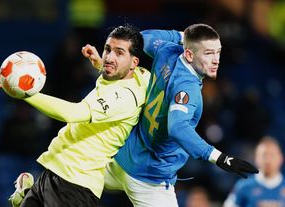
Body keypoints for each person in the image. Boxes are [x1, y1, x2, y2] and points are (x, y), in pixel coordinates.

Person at [0, 25, 150, 207]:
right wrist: (100, 64)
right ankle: (26, 196)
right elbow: (119, 78)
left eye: (119, 53)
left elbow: (72, 113)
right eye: (107, 50)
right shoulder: (141, 77)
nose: (110, 57)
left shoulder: (124, 97)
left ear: (134, 62)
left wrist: (25, 90)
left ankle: (24, 196)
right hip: (56, 171)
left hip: (74, 187)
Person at [99, 24, 259, 207]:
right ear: (189, 55)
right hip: (149, 179)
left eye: (218, 52)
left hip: (122, 157)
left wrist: (183, 36)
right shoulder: (187, 87)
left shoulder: (166, 50)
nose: (216, 60)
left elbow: (142, 38)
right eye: (208, 53)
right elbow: (177, 127)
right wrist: (219, 157)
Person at [223, 136, 285, 207]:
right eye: (264, 155)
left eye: (272, 155)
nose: (268, 160)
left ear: (281, 158)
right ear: (256, 158)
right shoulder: (243, 186)